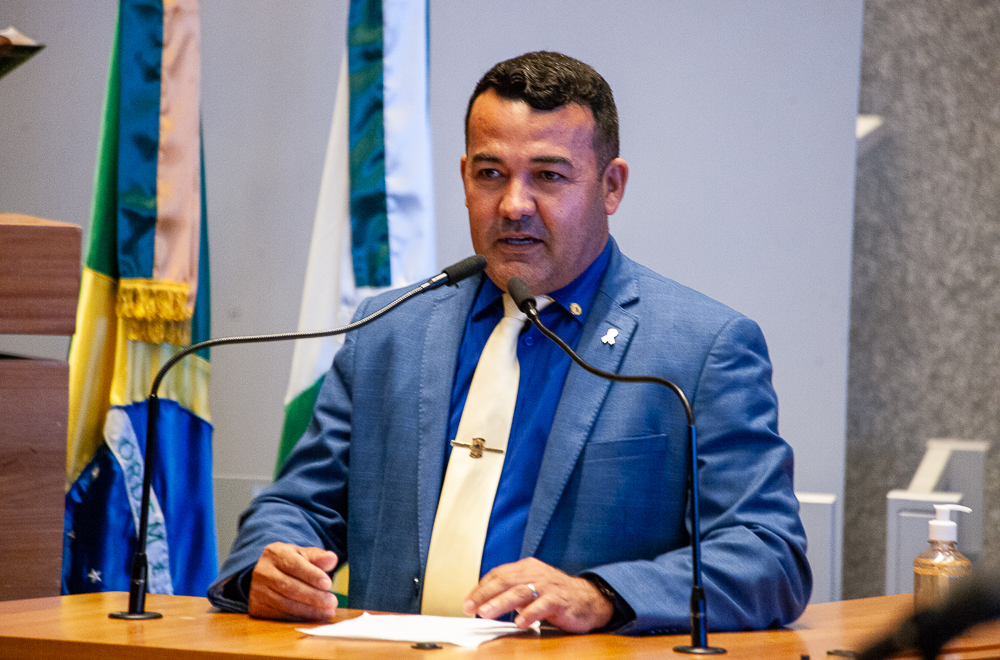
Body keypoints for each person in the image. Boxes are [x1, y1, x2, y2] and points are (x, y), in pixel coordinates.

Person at [209, 51, 811, 635]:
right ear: (464, 178)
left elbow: (767, 554)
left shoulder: (702, 349)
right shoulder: (389, 329)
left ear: (611, 186)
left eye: (548, 176)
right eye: (490, 173)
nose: (514, 205)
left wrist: (601, 594)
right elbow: (298, 507)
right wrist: (268, 566)